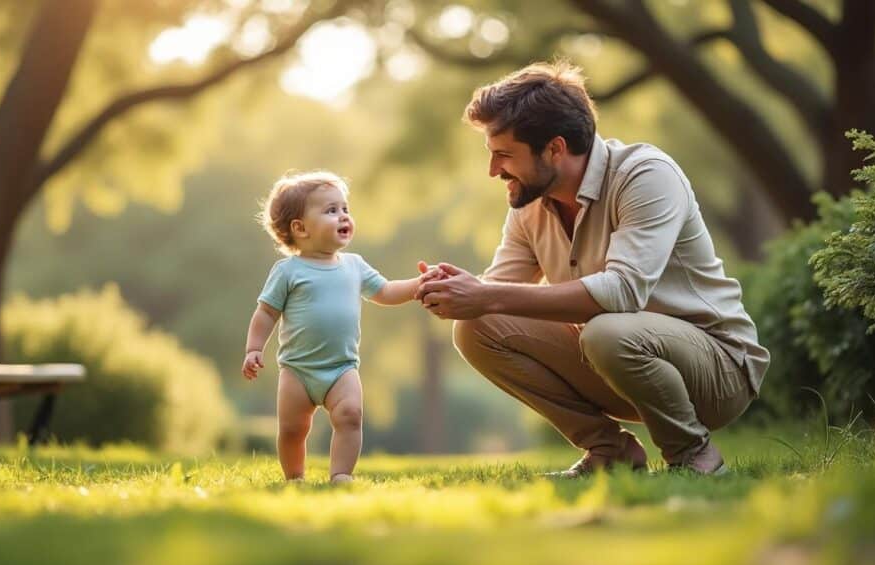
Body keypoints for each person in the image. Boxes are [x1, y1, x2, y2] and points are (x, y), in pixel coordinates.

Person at [417, 60, 770, 477]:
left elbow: (622, 293)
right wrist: (460, 291)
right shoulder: (529, 203)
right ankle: (609, 451)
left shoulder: (645, 176)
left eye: (504, 155)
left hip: (717, 370)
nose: (494, 170)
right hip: (616, 361)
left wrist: (485, 295)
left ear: (555, 149)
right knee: (476, 328)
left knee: (606, 329)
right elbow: (498, 295)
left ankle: (694, 455)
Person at [243, 171, 427, 483]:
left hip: (342, 368)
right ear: (300, 229)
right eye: (331, 211)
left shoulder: (355, 265)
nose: (343, 216)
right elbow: (265, 314)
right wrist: (254, 349)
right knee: (292, 429)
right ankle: (294, 477)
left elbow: (386, 291)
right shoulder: (288, 271)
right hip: (297, 370)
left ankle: (341, 474)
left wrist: (420, 284)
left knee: (351, 415)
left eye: (344, 208)